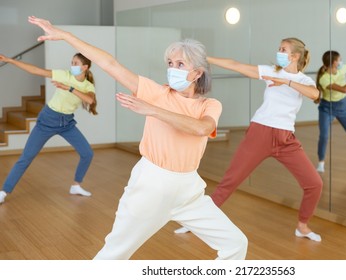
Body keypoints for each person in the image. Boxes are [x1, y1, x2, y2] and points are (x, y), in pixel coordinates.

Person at [28, 16, 247, 259]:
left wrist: (152, 110)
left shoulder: (210, 105)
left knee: (236, 244)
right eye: (170, 63)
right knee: (114, 255)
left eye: (180, 64)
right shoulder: (156, 92)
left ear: (197, 73)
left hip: (189, 190)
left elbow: (201, 129)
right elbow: (109, 63)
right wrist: (66, 36)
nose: (172, 68)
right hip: (151, 185)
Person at [176, 37, 324, 242]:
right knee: (230, 180)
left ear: (295, 56)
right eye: (279, 47)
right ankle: (196, 222)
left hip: (286, 139)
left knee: (314, 183)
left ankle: (303, 226)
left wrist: (287, 82)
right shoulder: (272, 72)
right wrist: (204, 58)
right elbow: (236, 65)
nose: (279, 51)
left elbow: (315, 94)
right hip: (260, 133)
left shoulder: (304, 80)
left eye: (283, 49)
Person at [0, 52, 97, 204]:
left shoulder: (87, 86)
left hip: (67, 123)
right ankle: (3, 192)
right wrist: (10, 61)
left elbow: (89, 99)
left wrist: (69, 88)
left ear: (85, 67)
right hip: (47, 120)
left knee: (87, 153)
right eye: (71, 62)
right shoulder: (64, 75)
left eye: (75, 63)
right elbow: (36, 70)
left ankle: (76, 185)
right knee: (26, 157)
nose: (72, 66)